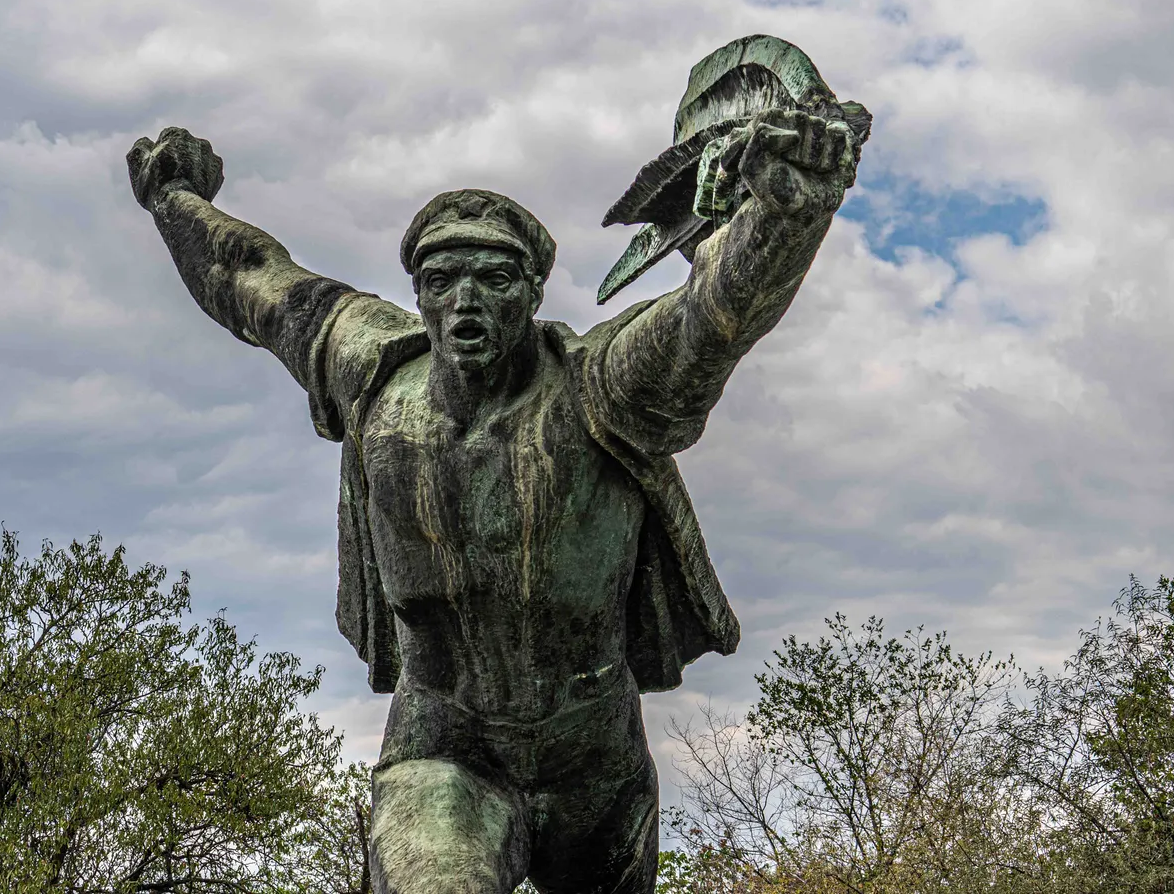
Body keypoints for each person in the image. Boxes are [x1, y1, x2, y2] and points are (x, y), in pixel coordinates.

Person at [127, 96, 854, 894]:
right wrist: (175, 199)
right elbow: (253, 283)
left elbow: (707, 322)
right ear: (420, 295)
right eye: (442, 280)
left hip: (595, 769)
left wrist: (790, 209)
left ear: (533, 292)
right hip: (447, 746)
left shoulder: (599, 389)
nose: (466, 301)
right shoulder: (372, 374)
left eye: (495, 279)